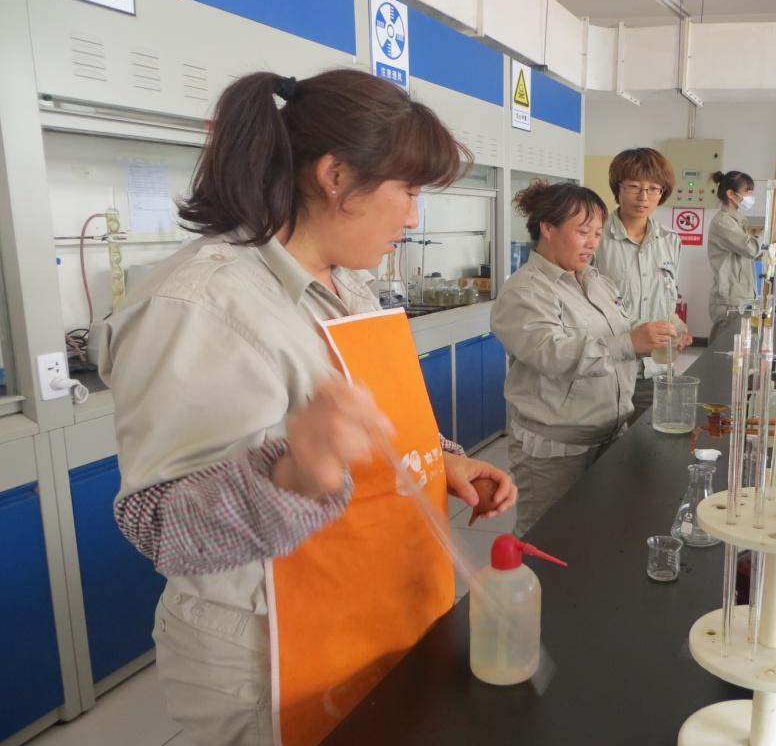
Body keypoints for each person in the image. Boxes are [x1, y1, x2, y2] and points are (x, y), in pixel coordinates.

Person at [93, 70, 517, 746]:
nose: (413, 218)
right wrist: (294, 475)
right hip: (272, 653)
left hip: (374, 603)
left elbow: (370, 416)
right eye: (409, 192)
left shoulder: (348, 283)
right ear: (336, 176)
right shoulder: (197, 305)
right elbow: (162, 527)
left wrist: (438, 461)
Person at [491, 181, 677, 535]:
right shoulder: (526, 290)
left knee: (592, 533)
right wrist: (629, 343)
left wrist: (652, 334)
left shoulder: (595, 280)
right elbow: (550, 353)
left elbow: (614, 329)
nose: (593, 242)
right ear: (548, 228)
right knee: (547, 536)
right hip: (558, 447)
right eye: (583, 232)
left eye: (597, 233)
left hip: (609, 432)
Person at [593, 148, 689, 421]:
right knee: (607, 443)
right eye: (634, 186)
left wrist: (678, 327)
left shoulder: (670, 240)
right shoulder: (595, 238)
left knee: (651, 440)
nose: (643, 197)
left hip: (656, 370)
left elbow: (667, 299)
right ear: (618, 187)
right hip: (608, 370)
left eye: (653, 189)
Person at [707, 169, 761, 326]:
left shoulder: (737, 220)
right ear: (731, 194)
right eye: (747, 192)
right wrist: (772, 228)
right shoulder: (723, 222)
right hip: (730, 303)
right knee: (728, 341)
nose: (750, 196)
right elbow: (751, 249)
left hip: (741, 299)